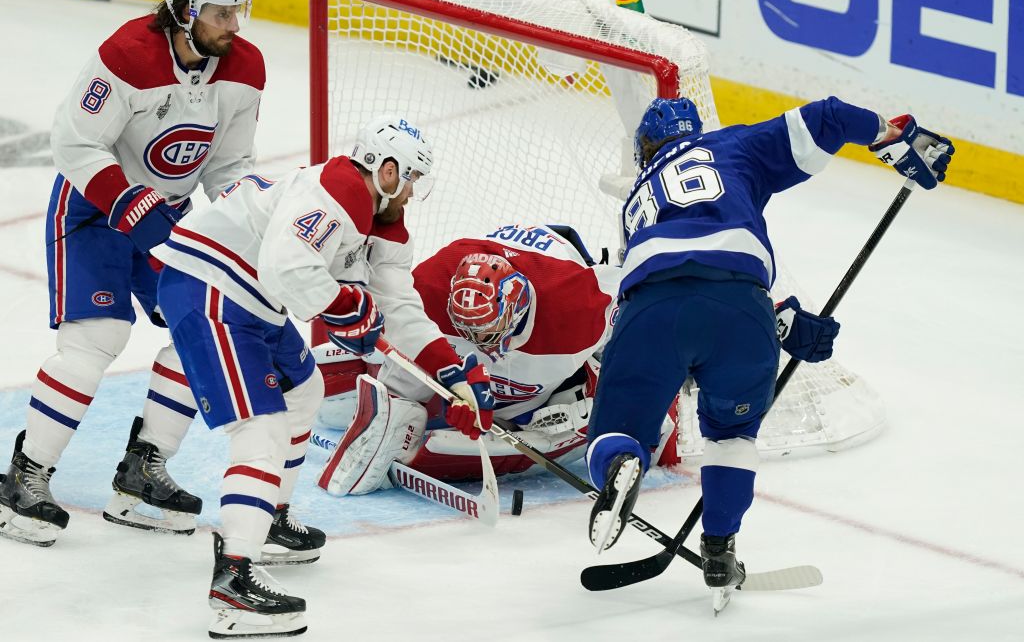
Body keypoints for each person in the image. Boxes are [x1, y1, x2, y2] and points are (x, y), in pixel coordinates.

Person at [584, 96, 954, 605]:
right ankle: (720, 549)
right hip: (743, 306)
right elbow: (827, 117)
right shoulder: (731, 144)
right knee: (731, 436)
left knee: (618, 429)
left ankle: (622, 461)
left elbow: (684, 266)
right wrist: (891, 136)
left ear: (644, 149)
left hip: (653, 306)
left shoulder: (636, 202)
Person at [153, 116, 493, 637]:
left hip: (250, 296)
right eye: (413, 179)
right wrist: (343, 305)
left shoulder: (378, 218)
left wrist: (449, 372)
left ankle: (267, 523)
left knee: (304, 392)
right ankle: (234, 581)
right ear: (386, 170)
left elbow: (397, 303)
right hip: (212, 285)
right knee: (261, 430)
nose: (414, 192)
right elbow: (287, 268)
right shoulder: (337, 190)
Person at [0, 0, 265, 547]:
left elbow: (228, 166)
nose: (234, 24)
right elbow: (74, 142)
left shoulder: (244, 68)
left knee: (202, 328)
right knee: (95, 340)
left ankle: (143, 474)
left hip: (168, 216)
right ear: (183, 9)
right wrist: (129, 205)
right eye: (222, 13)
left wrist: (245, 218)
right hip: (94, 209)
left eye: (238, 9)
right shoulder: (124, 57)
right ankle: (25, 477)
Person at [314, 223, 678, 492]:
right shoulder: (427, 289)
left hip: (555, 285)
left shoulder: (581, 303)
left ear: (518, 308)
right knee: (368, 386)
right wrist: (448, 386)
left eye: (490, 335)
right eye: (472, 336)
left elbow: (653, 303)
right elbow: (393, 341)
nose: (485, 349)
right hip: (478, 282)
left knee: (593, 397)